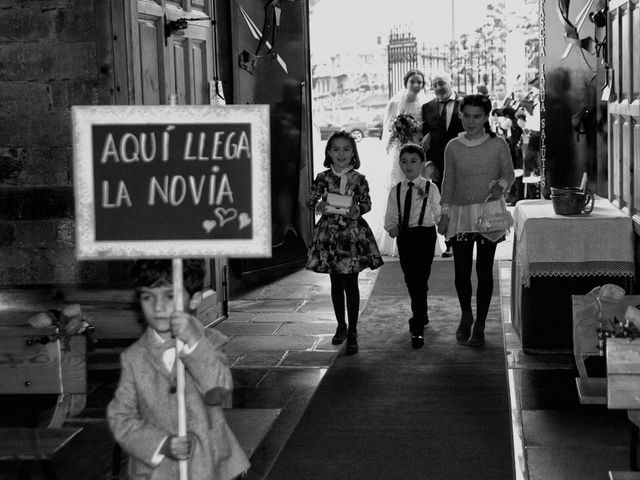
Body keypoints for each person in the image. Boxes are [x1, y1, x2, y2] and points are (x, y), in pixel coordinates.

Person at [107, 259, 250, 480]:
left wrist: (194, 344)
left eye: (170, 296)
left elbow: (218, 391)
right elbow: (120, 417)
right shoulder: (134, 358)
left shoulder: (209, 343)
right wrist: (160, 444)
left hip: (211, 465)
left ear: (194, 299)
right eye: (147, 297)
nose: (158, 306)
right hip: (159, 471)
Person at [437, 94, 515, 347]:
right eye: (466, 115)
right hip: (460, 214)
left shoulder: (498, 144)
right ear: (460, 115)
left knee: (483, 269)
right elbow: (447, 181)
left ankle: (480, 322)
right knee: (461, 272)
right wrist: (445, 214)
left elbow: (509, 174)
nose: (471, 121)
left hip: (487, 215)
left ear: (486, 117)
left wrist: (500, 186)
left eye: (477, 116)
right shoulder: (453, 146)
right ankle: (466, 315)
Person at [306, 131, 384, 355]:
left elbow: (367, 203)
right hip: (329, 236)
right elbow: (310, 200)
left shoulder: (359, 179)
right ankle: (340, 325)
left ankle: (353, 331)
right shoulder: (322, 177)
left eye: (346, 149)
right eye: (336, 149)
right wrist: (318, 203)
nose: (341, 153)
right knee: (336, 283)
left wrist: (357, 209)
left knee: (351, 283)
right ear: (329, 152)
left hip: (351, 236)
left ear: (353, 153)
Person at [383, 143, 440, 349]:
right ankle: (421, 312)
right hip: (405, 236)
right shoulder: (395, 190)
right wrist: (392, 228)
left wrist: (444, 226)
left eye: (414, 161)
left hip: (425, 235)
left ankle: (416, 324)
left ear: (422, 164)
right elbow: (390, 215)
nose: (409, 165)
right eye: (404, 161)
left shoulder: (430, 188)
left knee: (420, 276)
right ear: (400, 164)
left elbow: (438, 210)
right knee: (411, 278)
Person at [375, 68, 428, 256]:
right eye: (412, 81)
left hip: (417, 150)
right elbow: (388, 128)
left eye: (419, 82)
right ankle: (395, 240)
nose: (416, 85)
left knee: (418, 190)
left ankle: (418, 232)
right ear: (406, 82)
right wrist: (400, 130)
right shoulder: (395, 103)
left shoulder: (424, 104)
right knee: (398, 189)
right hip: (399, 151)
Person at [420, 72, 465, 258]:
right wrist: (428, 163)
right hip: (437, 164)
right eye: (435, 85)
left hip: (461, 162)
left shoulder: (466, 103)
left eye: (442, 83)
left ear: (451, 82)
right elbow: (424, 138)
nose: (438, 88)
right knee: (443, 204)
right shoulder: (427, 107)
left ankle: (462, 239)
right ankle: (449, 242)